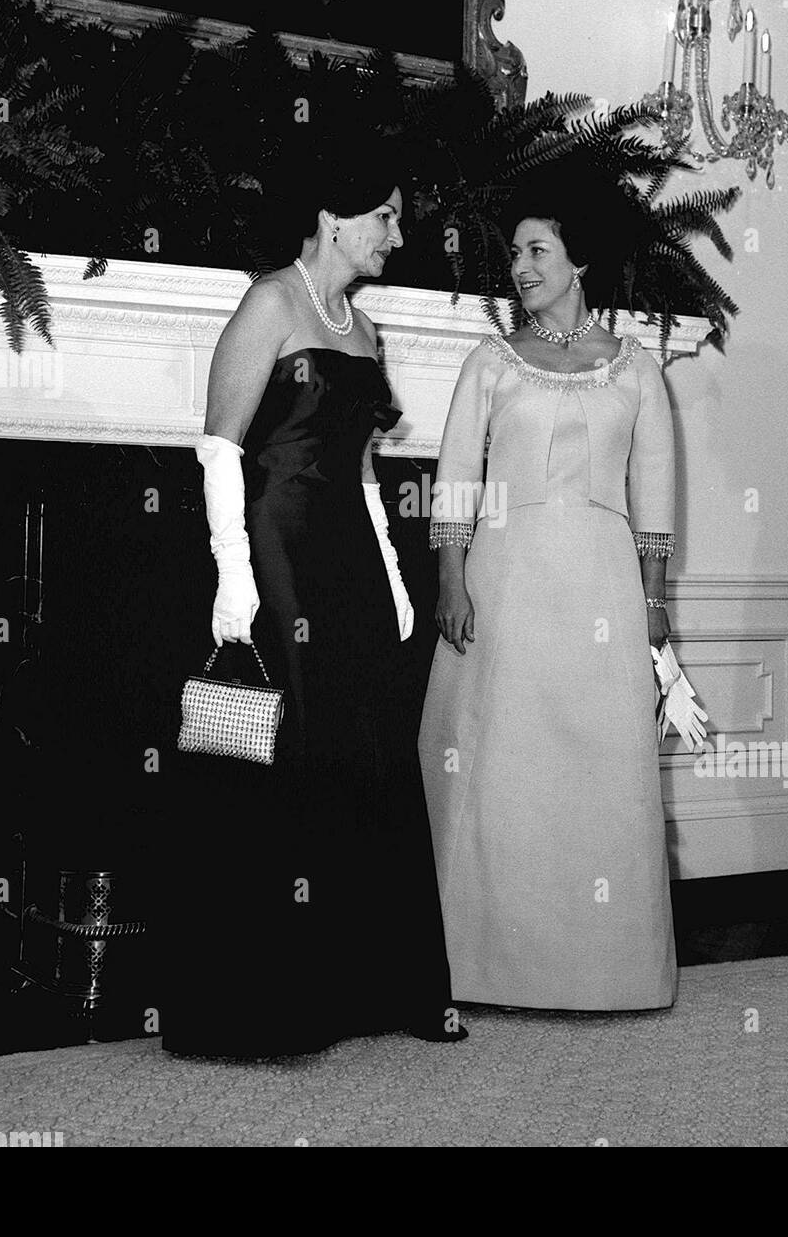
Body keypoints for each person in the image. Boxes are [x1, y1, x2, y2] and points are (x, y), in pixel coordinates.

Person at [162, 138, 466, 1058]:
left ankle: (375, 984)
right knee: (293, 743)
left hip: (347, 552)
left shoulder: (365, 330)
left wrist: (395, 576)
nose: (399, 234)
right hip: (277, 542)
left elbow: (366, 471)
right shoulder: (270, 302)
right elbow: (218, 446)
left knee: (371, 744)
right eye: (388, 215)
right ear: (336, 218)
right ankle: (274, 999)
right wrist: (232, 575)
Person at [418, 183, 702, 1011]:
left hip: (601, 590)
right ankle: (480, 966)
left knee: (598, 769)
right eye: (514, 252)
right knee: (502, 766)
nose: (520, 266)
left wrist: (653, 606)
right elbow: (456, 478)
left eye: (536, 250)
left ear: (580, 260)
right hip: (504, 584)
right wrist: (450, 578)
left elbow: (655, 494)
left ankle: (608, 970)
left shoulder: (635, 369)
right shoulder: (491, 361)